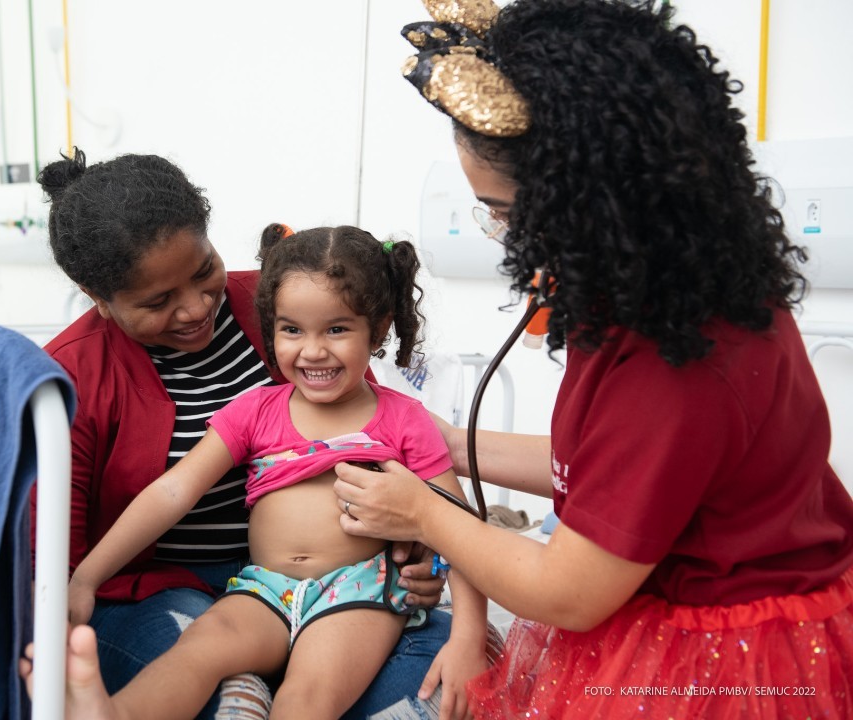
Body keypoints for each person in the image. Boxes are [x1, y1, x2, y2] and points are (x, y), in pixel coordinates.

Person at [333, 1, 853, 718]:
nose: (501, 236)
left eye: (506, 213)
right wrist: (449, 442)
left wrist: (422, 512)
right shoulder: (662, 286)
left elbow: (567, 592)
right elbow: (607, 469)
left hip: (724, 660)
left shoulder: (679, 363)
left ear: (587, 202)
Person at [27, 150, 456, 718]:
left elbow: (385, 449)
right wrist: (81, 583)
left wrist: (419, 557)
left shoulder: (286, 303)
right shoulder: (67, 378)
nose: (196, 308)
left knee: (442, 666)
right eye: (158, 302)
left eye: (204, 271)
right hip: (183, 593)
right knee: (203, 661)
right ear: (96, 296)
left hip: (346, 586)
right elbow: (85, 546)